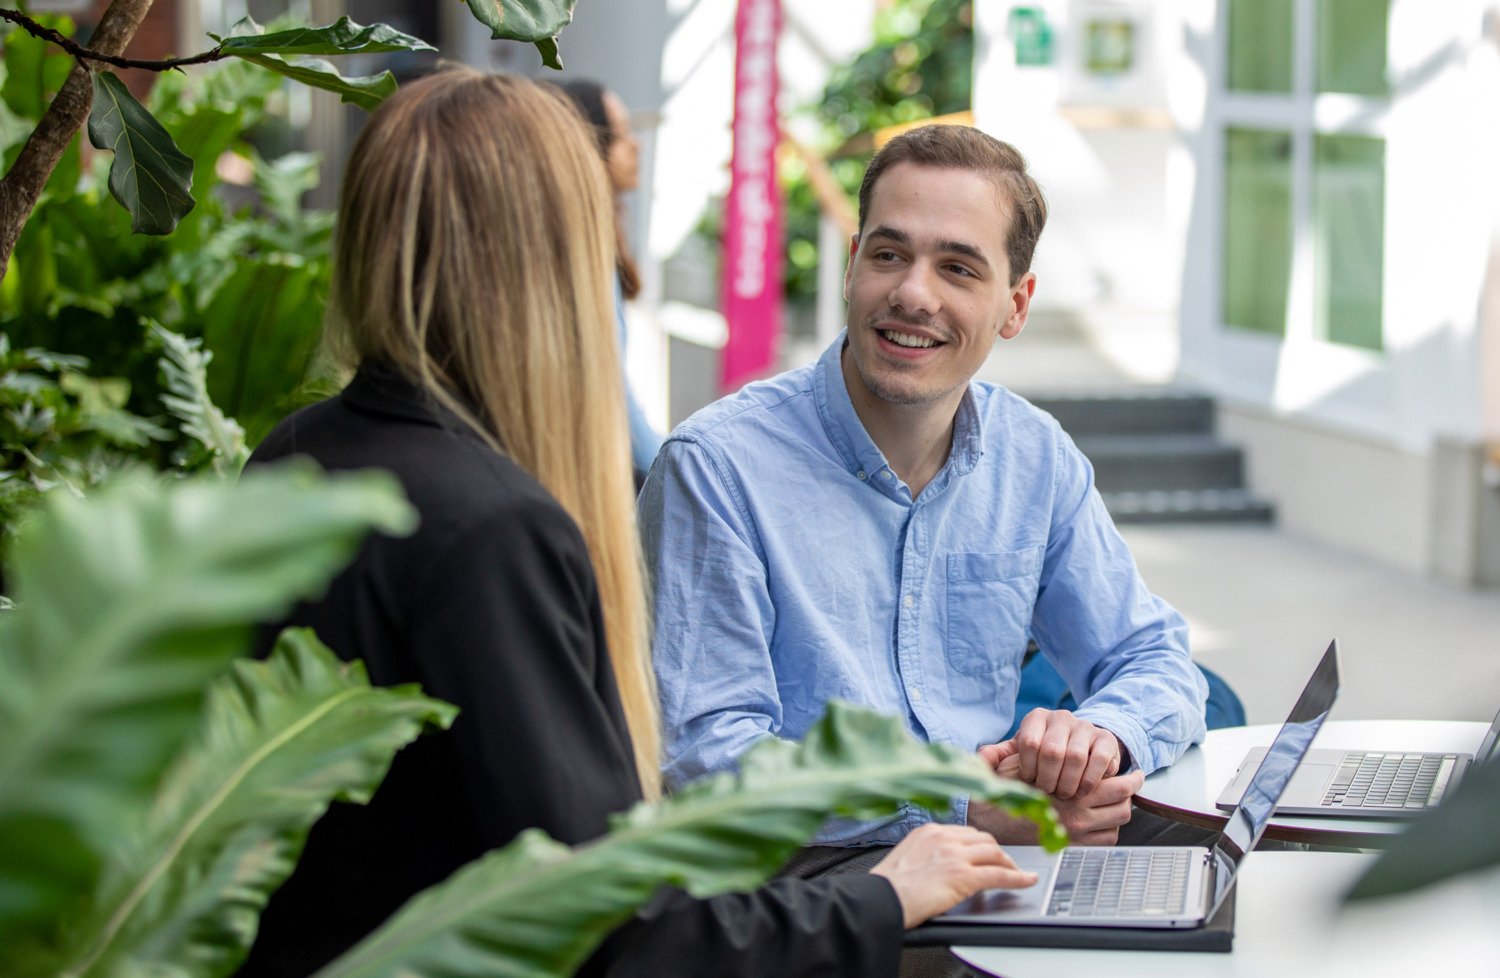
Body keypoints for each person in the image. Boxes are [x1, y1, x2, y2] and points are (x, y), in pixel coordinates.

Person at [236, 72, 1035, 978]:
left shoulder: (298, 452)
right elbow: (612, 930)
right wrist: (886, 895)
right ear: (555, 263)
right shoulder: (492, 531)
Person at [639, 125, 1209, 854]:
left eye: (958, 269)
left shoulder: (1033, 456)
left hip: (993, 847)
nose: (912, 294)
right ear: (852, 267)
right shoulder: (717, 468)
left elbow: (1153, 656)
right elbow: (705, 759)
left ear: (1015, 305)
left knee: (1212, 859)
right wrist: (959, 809)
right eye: (888, 255)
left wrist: (1098, 738)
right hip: (808, 876)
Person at [554, 77, 663, 485]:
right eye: (621, 133)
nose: (636, 145)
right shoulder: (584, 245)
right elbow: (609, 387)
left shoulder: (585, 233)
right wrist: (669, 468)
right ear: (587, 146)